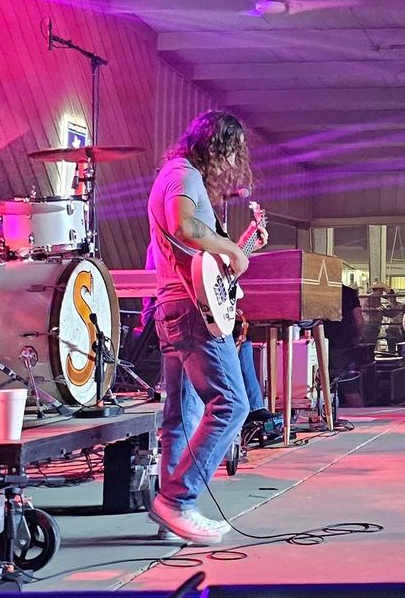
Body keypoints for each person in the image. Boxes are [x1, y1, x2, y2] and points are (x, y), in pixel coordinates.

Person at [145, 110, 260, 545]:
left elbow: (193, 256)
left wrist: (233, 251)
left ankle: (171, 516)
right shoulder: (184, 174)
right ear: (216, 145)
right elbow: (183, 225)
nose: (231, 162)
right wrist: (232, 247)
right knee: (232, 404)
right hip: (192, 311)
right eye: (230, 152)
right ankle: (177, 501)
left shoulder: (176, 173)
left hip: (175, 305)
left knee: (182, 415)